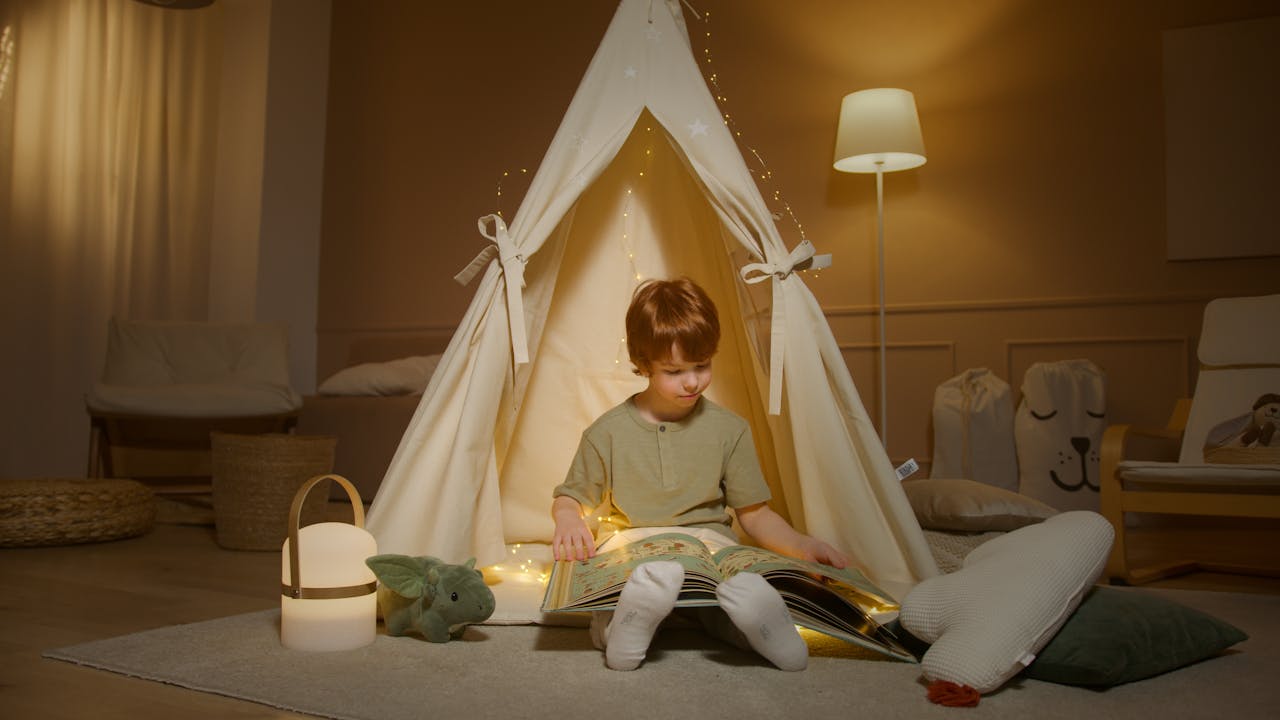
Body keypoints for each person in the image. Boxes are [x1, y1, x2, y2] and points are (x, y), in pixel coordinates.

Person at [550, 277, 849, 671]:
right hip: (634, 547)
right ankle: (624, 629)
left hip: (709, 547)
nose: (692, 381)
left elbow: (755, 515)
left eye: (702, 365)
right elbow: (570, 495)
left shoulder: (730, 429)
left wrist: (800, 545)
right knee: (622, 592)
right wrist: (568, 517)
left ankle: (768, 629)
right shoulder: (606, 432)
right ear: (643, 365)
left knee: (729, 598)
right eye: (674, 371)